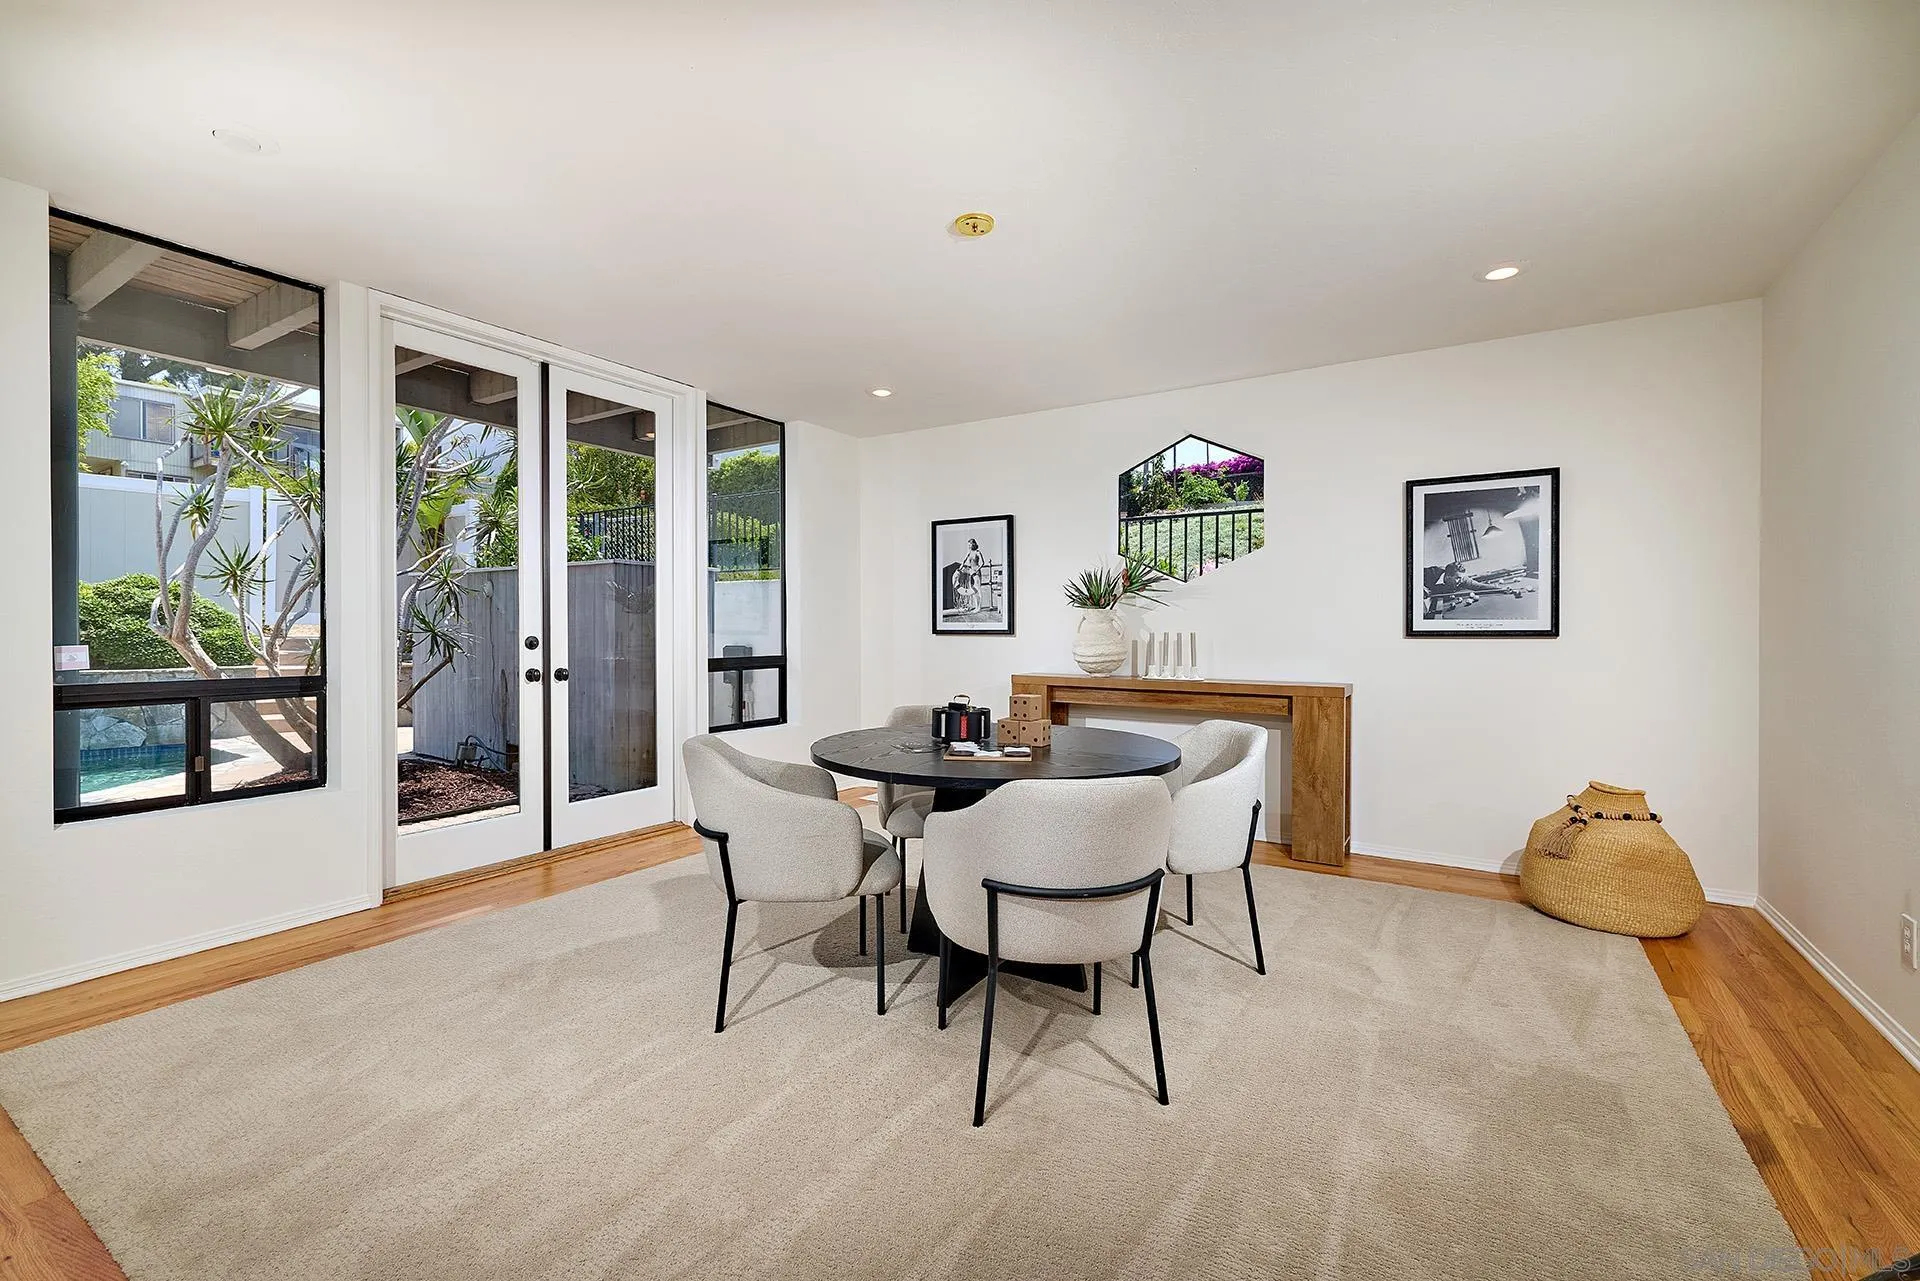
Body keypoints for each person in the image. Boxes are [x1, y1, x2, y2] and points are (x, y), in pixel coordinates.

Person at [955, 538, 986, 612]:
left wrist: (977, 570)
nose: (969, 546)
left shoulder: (978, 552)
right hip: (971, 572)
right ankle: (975, 607)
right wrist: (959, 569)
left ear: (974, 544)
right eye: (968, 545)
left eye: (970, 544)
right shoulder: (969, 553)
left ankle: (978, 608)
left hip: (976, 572)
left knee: (977, 590)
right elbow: (963, 561)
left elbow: (982, 563)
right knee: (972, 590)